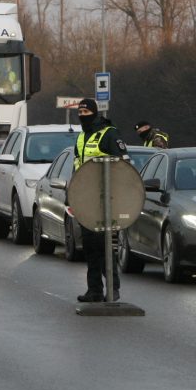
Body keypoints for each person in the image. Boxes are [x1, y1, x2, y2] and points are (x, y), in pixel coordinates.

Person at [74, 98, 129, 303]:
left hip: (106, 199)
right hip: (86, 199)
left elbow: (123, 166)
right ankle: (94, 290)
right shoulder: (81, 137)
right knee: (90, 246)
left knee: (104, 246)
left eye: (86, 112)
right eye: (80, 112)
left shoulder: (109, 134)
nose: (82, 116)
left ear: (95, 113)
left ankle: (113, 288)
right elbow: (77, 165)